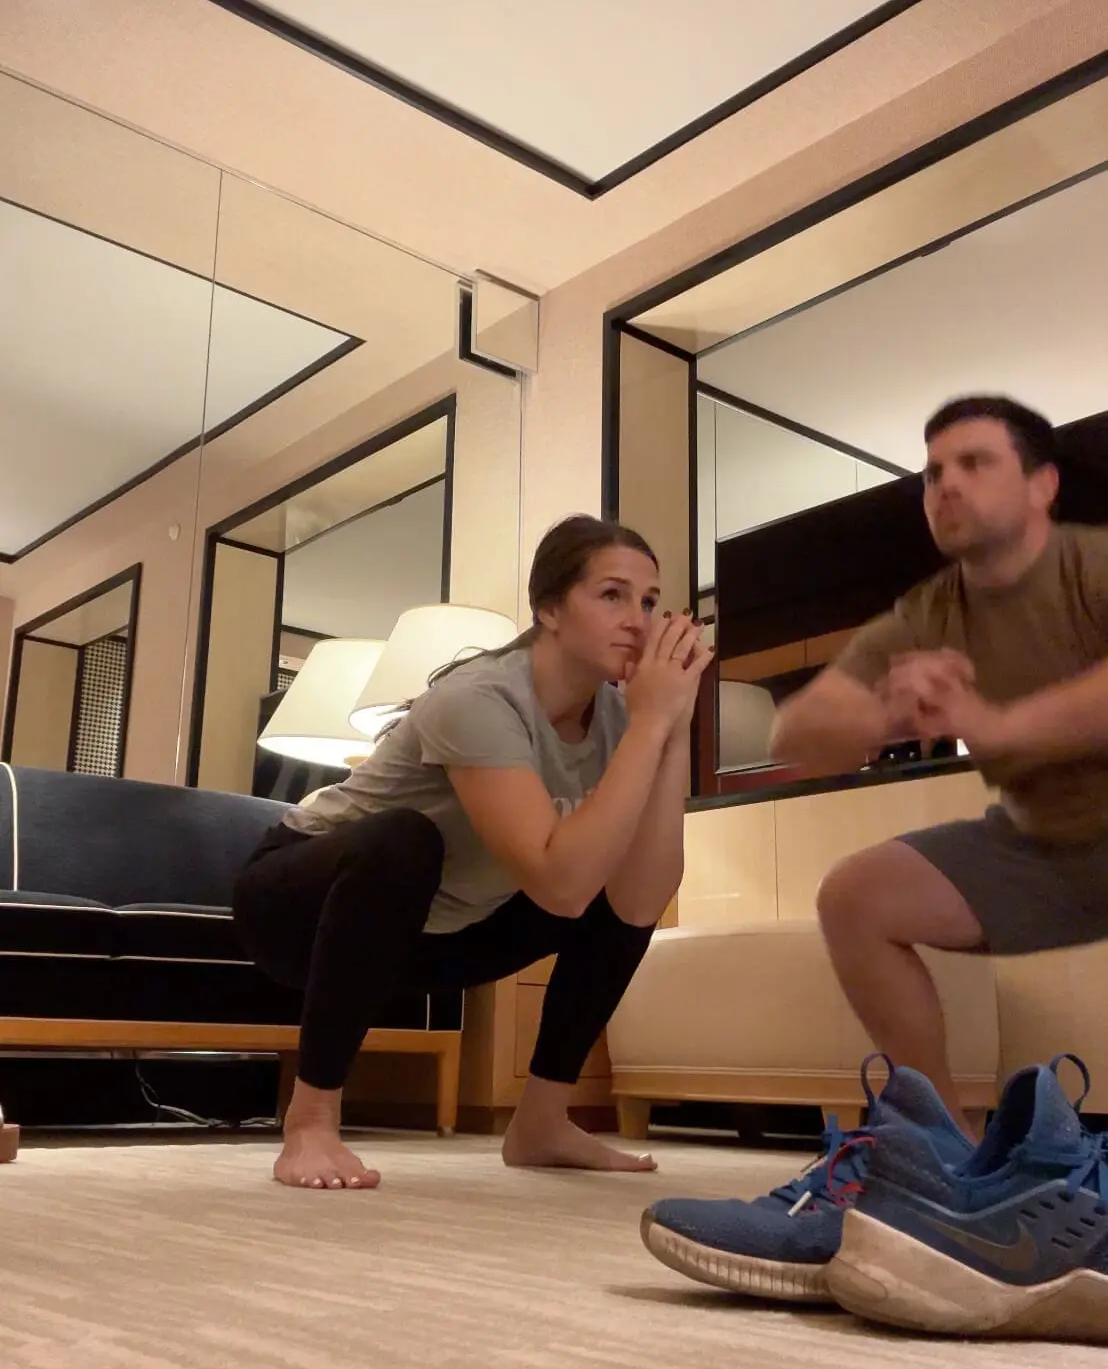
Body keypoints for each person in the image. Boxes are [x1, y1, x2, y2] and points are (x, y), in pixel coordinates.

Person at [233, 514, 712, 1190]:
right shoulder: (478, 699)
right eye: (612, 595)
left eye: (650, 601)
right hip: (298, 908)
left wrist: (671, 728)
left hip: (436, 933)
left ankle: (541, 1123)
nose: (638, 618)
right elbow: (558, 883)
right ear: (549, 608)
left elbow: (639, 900)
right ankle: (310, 1122)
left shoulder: (622, 718)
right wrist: (653, 723)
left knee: (608, 874)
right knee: (405, 839)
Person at [772, 393, 1108, 1132]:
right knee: (856, 896)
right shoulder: (926, 612)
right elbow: (793, 736)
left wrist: (998, 725)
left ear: (1042, 484)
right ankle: (946, 1154)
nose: (945, 484)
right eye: (931, 472)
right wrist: (884, 710)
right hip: (1040, 849)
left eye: (975, 463)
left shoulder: (1093, 563)